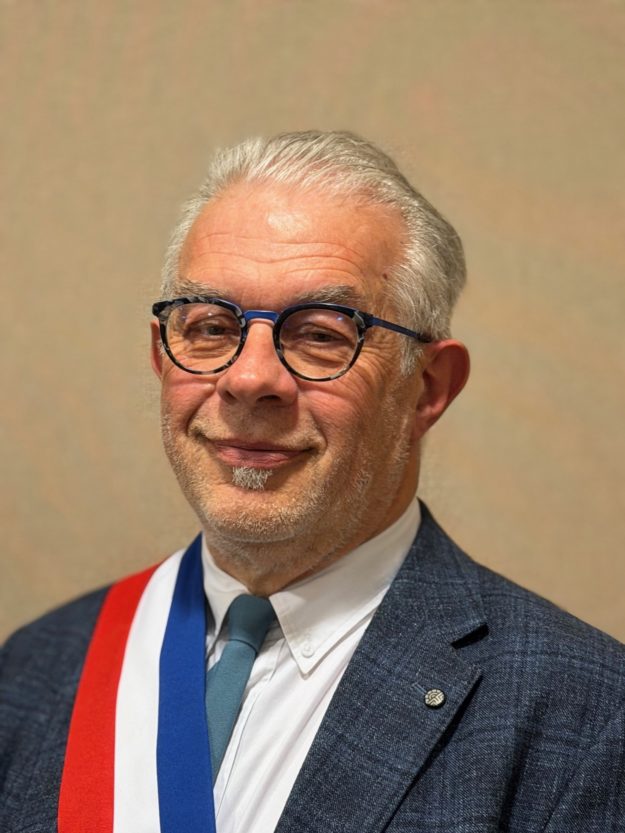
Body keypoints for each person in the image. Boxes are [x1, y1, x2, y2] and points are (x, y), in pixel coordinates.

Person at [1, 131, 624, 833]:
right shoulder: (35, 669)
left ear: (427, 387)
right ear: (161, 355)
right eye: (211, 326)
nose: (248, 378)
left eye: (321, 334)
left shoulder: (587, 718)